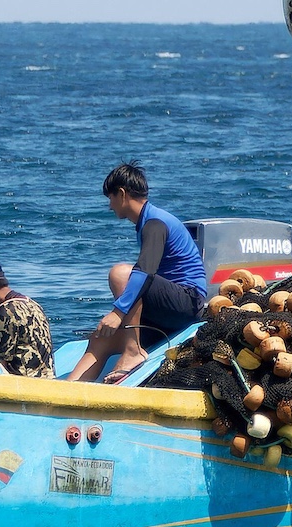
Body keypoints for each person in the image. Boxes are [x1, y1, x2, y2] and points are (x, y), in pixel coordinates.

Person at [66, 162, 207, 383]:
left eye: (110, 198)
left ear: (121, 194)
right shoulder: (145, 222)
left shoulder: (154, 223)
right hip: (165, 308)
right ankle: (68, 393)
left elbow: (145, 272)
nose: (110, 206)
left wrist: (118, 312)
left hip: (187, 303)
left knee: (120, 273)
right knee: (100, 339)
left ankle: (133, 352)